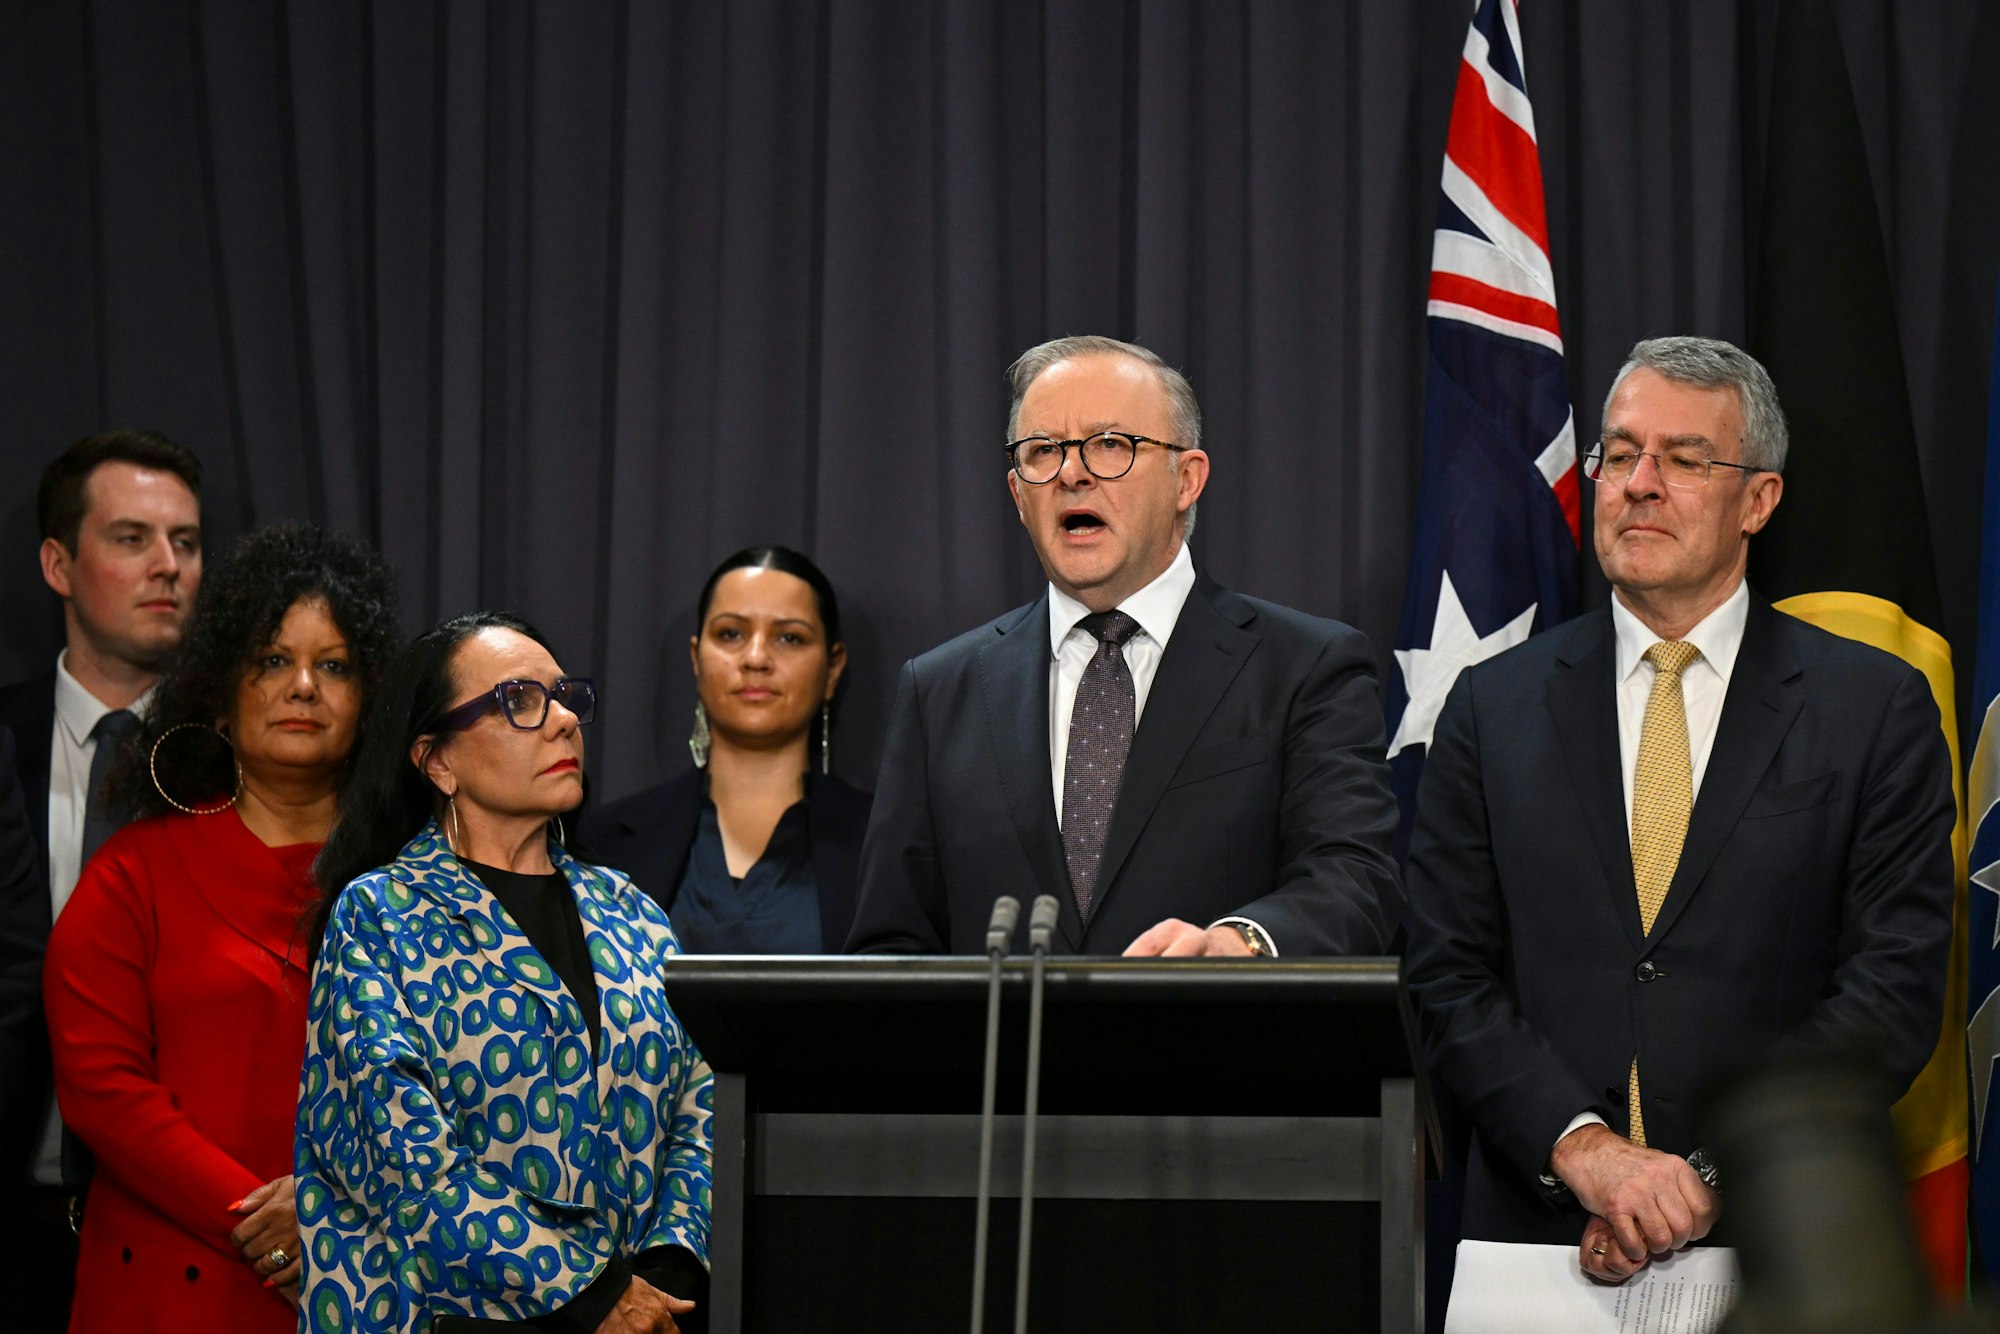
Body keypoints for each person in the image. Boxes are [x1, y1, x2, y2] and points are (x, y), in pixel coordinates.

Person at [1401, 336, 1955, 1283]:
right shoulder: (1492, 708)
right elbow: (1447, 974)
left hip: (1787, 1251)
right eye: (1619, 455)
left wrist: (1703, 1177)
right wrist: (1583, 1151)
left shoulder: (1874, 708)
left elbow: (1889, 995)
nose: (1640, 484)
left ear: (1760, 500)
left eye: (1685, 460)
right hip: (1540, 1246)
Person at [847, 335, 1401, 957]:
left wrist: (1241, 945)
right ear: (1017, 495)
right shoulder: (940, 689)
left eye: (1111, 444)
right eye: (1043, 451)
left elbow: (1356, 882)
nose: (1073, 473)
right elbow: (891, 944)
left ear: (1186, 480)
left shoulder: (1306, 668)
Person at [299, 612, 711, 1334]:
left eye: (564, 698)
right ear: (436, 761)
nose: (561, 723)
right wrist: (589, 1294)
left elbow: (699, 1106)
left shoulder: (632, 911)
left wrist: (666, 1271)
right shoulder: (381, 915)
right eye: (520, 701)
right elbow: (407, 1162)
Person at [40, 522, 400, 1331]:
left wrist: (337, 1221)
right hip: (163, 1287)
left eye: (333, 665)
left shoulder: (412, 881)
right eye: (273, 660)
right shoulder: (133, 876)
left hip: (367, 1285)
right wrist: (269, 1220)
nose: (303, 686)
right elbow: (103, 1093)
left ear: (369, 699)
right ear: (220, 692)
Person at [0, 428, 203, 1329]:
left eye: (187, 543)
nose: (168, 566)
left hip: (181, 1233)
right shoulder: (3, 742)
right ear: (57, 563)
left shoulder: (242, 767)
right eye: (132, 539)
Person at [586, 546, 870, 953]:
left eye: (789, 637)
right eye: (731, 634)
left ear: (833, 667)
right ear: (696, 657)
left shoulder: (884, 846)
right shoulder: (598, 843)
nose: (756, 658)